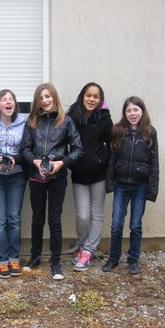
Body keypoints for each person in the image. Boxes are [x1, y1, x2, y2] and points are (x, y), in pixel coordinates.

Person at [22, 83, 83, 280]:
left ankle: (55, 262)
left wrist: (61, 163)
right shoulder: (32, 121)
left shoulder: (66, 121)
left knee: (54, 219)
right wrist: (35, 160)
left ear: (54, 97)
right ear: (37, 101)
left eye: (48, 96)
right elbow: (25, 148)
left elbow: (78, 150)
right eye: (41, 97)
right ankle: (35, 257)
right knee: (37, 218)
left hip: (57, 177)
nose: (45, 100)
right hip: (36, 176)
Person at [102, 96, 159, 275]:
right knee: (116, 224)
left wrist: (152, 189)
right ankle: (114, 258)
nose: (132, 114)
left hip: (140, 186)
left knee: (135, 225)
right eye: (129, 110)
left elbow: (154, 162)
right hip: (121, 185)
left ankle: (133, 260)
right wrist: (109, 182)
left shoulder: (150, 132)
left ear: (142, 111)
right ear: (124, 113)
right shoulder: (118, 131)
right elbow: (112, 158)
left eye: (136, 110)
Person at [67, 83, 113, 272]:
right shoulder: (72, 116)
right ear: (82, 96)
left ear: (100, 100)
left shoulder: (104, 119)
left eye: (96, 96)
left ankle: (88, 251)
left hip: (98, 175)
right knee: (82, 216)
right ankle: (84, 245)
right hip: (78, 173)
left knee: (96, 215)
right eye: (88, 95)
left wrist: (102, 159)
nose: (92, 99)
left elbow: (112, 145)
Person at [0, 89, 28, 279]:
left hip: (16, 175)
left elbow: (29, 148)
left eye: (11, 99)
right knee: (1, 219)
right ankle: (1, 260)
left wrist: (16, 159)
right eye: (4, 100)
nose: (8, 102)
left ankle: (14, 258)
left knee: (14, 218)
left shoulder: (24, 123)